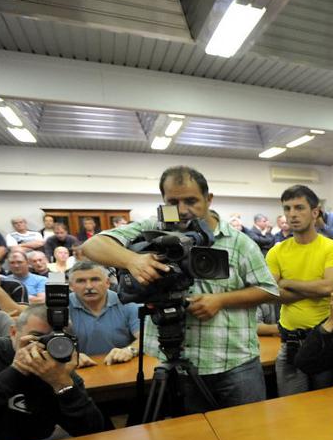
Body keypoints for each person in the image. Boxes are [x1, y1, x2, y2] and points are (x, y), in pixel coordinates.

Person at [82, 165, 279, 412]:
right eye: (173, 202)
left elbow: (269, 290)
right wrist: (133, 260)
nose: (183, 210)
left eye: (191, 200)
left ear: (208, 199)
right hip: (173, 365)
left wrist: (221, 300)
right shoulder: (152, 229)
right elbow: (92, 246)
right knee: (186, 436)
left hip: (234, 365)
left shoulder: (239, 242)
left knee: (246, 432)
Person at [0, 304, 105, 440]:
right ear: (13, 332)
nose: (43, 347)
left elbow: (92, 431)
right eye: (36, 337)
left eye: (53, 341)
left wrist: (62, 383)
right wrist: (17, 370)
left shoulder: (57, 369)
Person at [265, 184, 333, 396]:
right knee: (291, 408)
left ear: (315, 212)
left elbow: (328, 286)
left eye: (299, 208)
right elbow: (271, 294)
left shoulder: (331, 248)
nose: (292, 214)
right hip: (289, 343)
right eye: (287, 208)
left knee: (326, 405)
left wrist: (287, 282)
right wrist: (315, 289)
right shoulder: (276, 252)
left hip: (324, 341)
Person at [67, 261, 140, 366]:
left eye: (95, 280)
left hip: (120, 367)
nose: (89, 286)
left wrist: (130, 350)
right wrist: (69, 355)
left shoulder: (127, 303)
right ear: (71, 286)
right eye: (81, 281)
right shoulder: (61, 307)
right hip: (77, 370)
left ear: (107, 283)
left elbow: (144, 338)